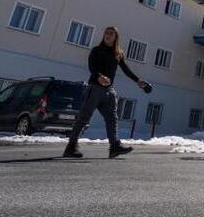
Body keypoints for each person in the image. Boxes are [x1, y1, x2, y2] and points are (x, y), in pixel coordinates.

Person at [63, 26, 149, 158]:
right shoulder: (97, 50)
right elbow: (92, 67)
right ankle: (71, 147)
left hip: (109, 91)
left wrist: (138, 81)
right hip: (95, 88)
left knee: (112, 119)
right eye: (106, 33)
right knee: (83, 118)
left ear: (116, 37)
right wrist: (99, 77)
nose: (108, 35)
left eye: (111, 34)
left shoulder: (118, 54)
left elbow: (125, 69)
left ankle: (114, 147)